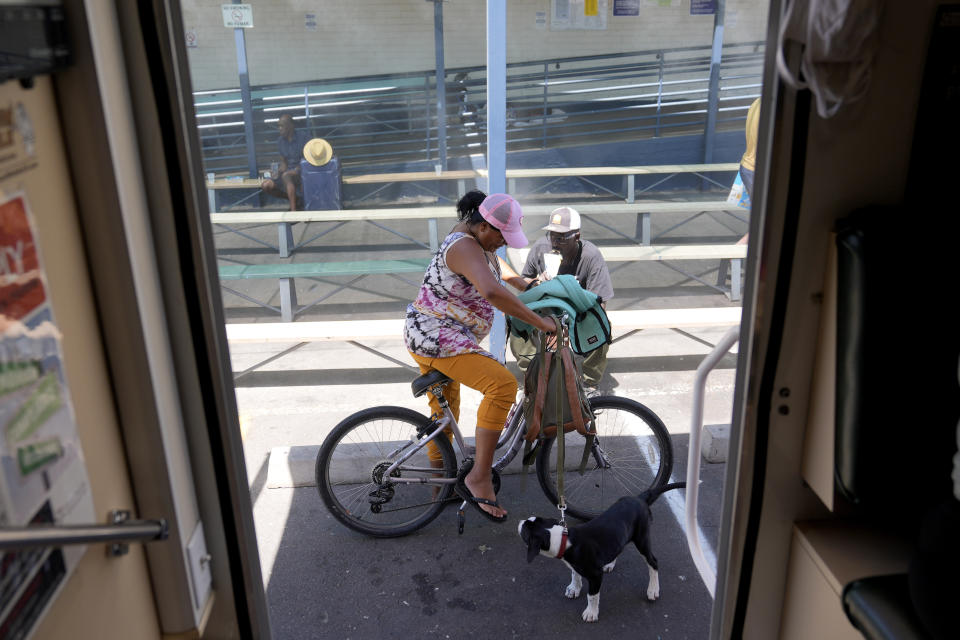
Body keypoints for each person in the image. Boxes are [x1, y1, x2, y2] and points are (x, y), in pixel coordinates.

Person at [404, 190, 555, 522]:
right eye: (501, 236)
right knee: (501, 386)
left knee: (444, 413)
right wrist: (541, 323)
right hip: (438, 338)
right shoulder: (463, 246)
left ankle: (439, 488)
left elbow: (496, 267)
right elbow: (490, 290)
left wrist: (526, 284)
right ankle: (479, 478)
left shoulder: (471, 237)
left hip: (433, 334)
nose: (503, 244)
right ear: (484, 225)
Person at [509, 206, 614, 390]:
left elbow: (600, 303)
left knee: (602, 328)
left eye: (562, 237)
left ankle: (590, 384)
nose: (555, 242)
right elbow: (524, 282)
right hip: (546, 308)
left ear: (577, 236)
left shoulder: (590, 256)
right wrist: (538, 281)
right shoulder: (542, 247)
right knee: (519, 324)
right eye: (552, 235)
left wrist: (572, 290)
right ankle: (531, 379)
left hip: (577, 312)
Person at [260, 113, 308, 211]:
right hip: (287, 172)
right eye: (279, 126)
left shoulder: (303, 137)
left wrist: (296, 169)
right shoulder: (280, 141)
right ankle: (296, 200)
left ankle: (293, 212)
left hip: (302, 171)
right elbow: (284, 163)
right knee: (266, 185)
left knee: (286, 176)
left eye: (282, 126)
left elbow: (309, 159)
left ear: (290, 126)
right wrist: (277, 172)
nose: (280, 128)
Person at [736, 97, 760, 245]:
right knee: (768, 220)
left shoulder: (757, 102)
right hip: (758, 170)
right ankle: (735, 252)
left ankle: (735, 253)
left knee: (762, 219)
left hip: (748, 165)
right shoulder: (774, 108)